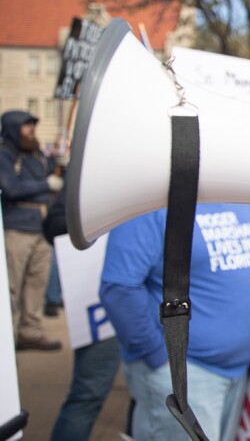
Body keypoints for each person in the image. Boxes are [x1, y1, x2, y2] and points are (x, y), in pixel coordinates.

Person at [100, 203, 250, 441]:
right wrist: (158, 358)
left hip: (239, 372)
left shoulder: (236, 196)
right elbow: (119, 289)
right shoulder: (151, 203)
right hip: (185, 373)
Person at [42, 183, 124, 441]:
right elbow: (54, 225)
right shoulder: (92, 169)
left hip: (155, 306)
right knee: (88, 393)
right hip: (101, 302)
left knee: (152, 397)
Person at [1, 110, 63, 351]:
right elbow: (11, 188)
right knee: (11, 285)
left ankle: (31, 331)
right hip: (17, 227)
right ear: (13, 128)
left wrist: (62, 165)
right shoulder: (5, 154)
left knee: (37, 283)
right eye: (27, 127)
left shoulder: (36, 155)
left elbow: (51, 174)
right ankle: (5, 336)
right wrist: (44, 185)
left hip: (41, 227)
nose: (31, 132)